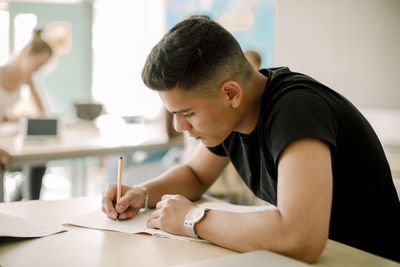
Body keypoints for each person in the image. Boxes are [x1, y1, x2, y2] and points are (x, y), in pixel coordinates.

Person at [102, 17, 400, 263]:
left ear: (230, 93)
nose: (180, 127)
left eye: (188, 113)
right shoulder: (234, 114)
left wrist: (192, 219)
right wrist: (142, 193)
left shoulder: (295, 111)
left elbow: (301, 238)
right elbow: (195, 174)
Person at [0, 28, 53, 200]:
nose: (37, 70)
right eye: (38, 65)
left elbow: (43, 113)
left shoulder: (25, 80)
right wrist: (9, 118)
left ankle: (27, 205)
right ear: (28, 53)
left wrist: (31, 83)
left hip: (7, 143)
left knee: (39, 163)